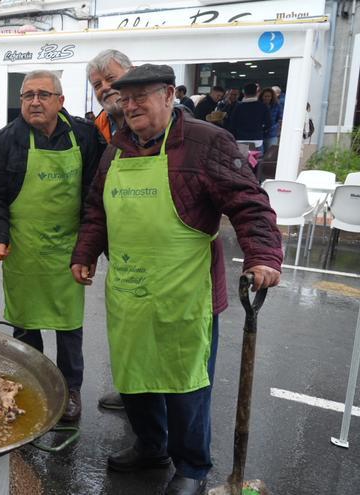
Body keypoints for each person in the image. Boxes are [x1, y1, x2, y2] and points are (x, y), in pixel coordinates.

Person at [70, 64, 283, 495]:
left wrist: (262, 255)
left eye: (141, 97)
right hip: (130, 290)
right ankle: (152, 447)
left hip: (185, 293)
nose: (131, 107)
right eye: (124, 99)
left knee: (186, 384)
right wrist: (85, 252)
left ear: (169, 95)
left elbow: (249, 202)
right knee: (134, 377)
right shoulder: (117, 148)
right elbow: (97, 209)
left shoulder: (207, 142)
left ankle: (192, 467)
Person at [0, 70, 104, 422]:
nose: (35, 101)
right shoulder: (6, 139)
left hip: (69, 248)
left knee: (68, 327)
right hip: (24, 248)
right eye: (27, 95)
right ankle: (33, 383)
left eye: (43, 95)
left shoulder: (84, 135)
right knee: (26, 325)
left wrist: (89, 247)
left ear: (60, 101)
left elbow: (94, 196)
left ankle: (70, 390)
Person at [86, 49, 131, 412]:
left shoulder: (173, 122)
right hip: (119, 245)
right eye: (98, 85)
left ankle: (177, 448)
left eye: (111, 80)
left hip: (162, 247)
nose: (104, 89)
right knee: (125, 325)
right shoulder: (102, 126)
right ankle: (133, 391)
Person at [87, 49, 132, 143]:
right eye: (97, 85)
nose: (105, 87)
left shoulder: (155, 117)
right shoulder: (94, 129)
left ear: (131, 73)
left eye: (111, 78)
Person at [227, 83, 271, 150]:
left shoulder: (238, 107)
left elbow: (232, 124)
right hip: (257, 139)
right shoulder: (263, 106)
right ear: (256, 93)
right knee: (257, 159)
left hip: (241, 139)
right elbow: (268, 123)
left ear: (244, 93)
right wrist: (261, 131)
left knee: (240, 159)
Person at [260, 87, 282, 152]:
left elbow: (280, 119)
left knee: (270, 155)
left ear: (272, 97)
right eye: (265, 96)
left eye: (269, 96)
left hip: (272, 134)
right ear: (262, 97)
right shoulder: (258, 106)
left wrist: (275, 128)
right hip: (260, 134)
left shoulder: (277, 106)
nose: (267, 98)